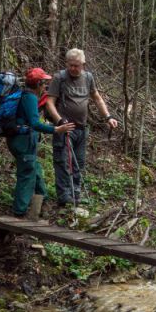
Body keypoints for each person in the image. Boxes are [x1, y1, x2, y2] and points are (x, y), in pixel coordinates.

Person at [44, 48, 119, 207]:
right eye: (70, 65)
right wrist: (59, 121)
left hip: (81, 128)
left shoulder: (88, 78)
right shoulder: (60, 78)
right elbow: (49, 102)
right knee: (62, 162)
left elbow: (97, 98)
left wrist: (108, 117)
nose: (73, 68)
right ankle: (64, 197)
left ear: (83, 65)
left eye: (76, 66)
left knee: (79, 162)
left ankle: (75, 193)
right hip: (65, 128)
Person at [7, 67, 75, 217]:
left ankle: (42, 199)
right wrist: (57, 129)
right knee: (26, 176)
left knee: (35, 170)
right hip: (23, 142)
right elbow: (34, 123)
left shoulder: (23, 94)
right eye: (43, 83)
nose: (45, 86)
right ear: (38, 84)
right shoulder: (30, 98)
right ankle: (19, 212)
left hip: (18, 140)